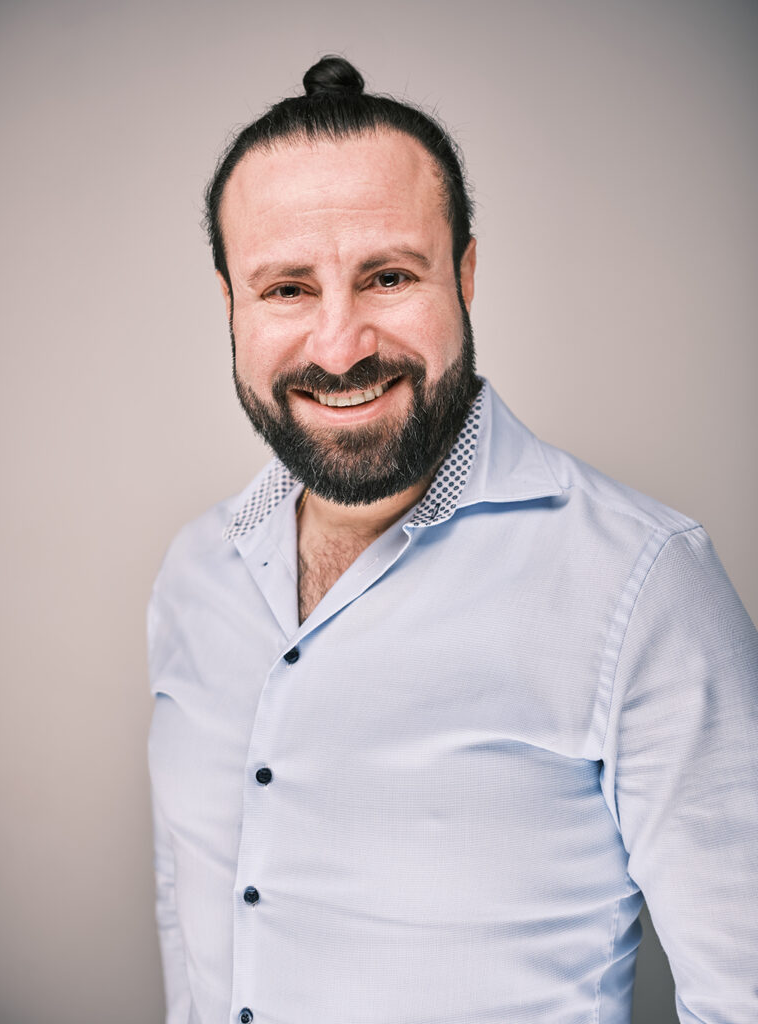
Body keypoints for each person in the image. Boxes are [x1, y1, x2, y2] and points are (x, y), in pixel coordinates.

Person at [147, 55, 758, 1024]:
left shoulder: (644, 585)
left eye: (389, 276)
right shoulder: (195, 573)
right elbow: (190, 921)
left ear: (465, 274)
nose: (340, 346)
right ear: (230, 304)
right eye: (287, 289)